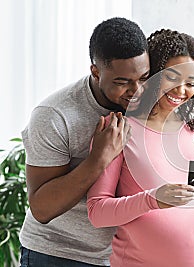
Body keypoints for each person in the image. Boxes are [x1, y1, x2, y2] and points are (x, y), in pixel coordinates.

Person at [87, 29, 194, 267]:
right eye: (172, 78)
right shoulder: (119, 130)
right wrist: (152, 199)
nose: (181, 91)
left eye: (191, 83)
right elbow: (97, 213)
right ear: (153, 74)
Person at [19, 17, 150, 267]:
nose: (137, 91)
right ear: (96, 71)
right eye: (122, 82)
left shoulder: (148, 102)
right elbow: (42, 208)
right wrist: (98, 159)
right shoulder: (55, 114)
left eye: (144, 77)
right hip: (57, 254)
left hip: (123, 255)